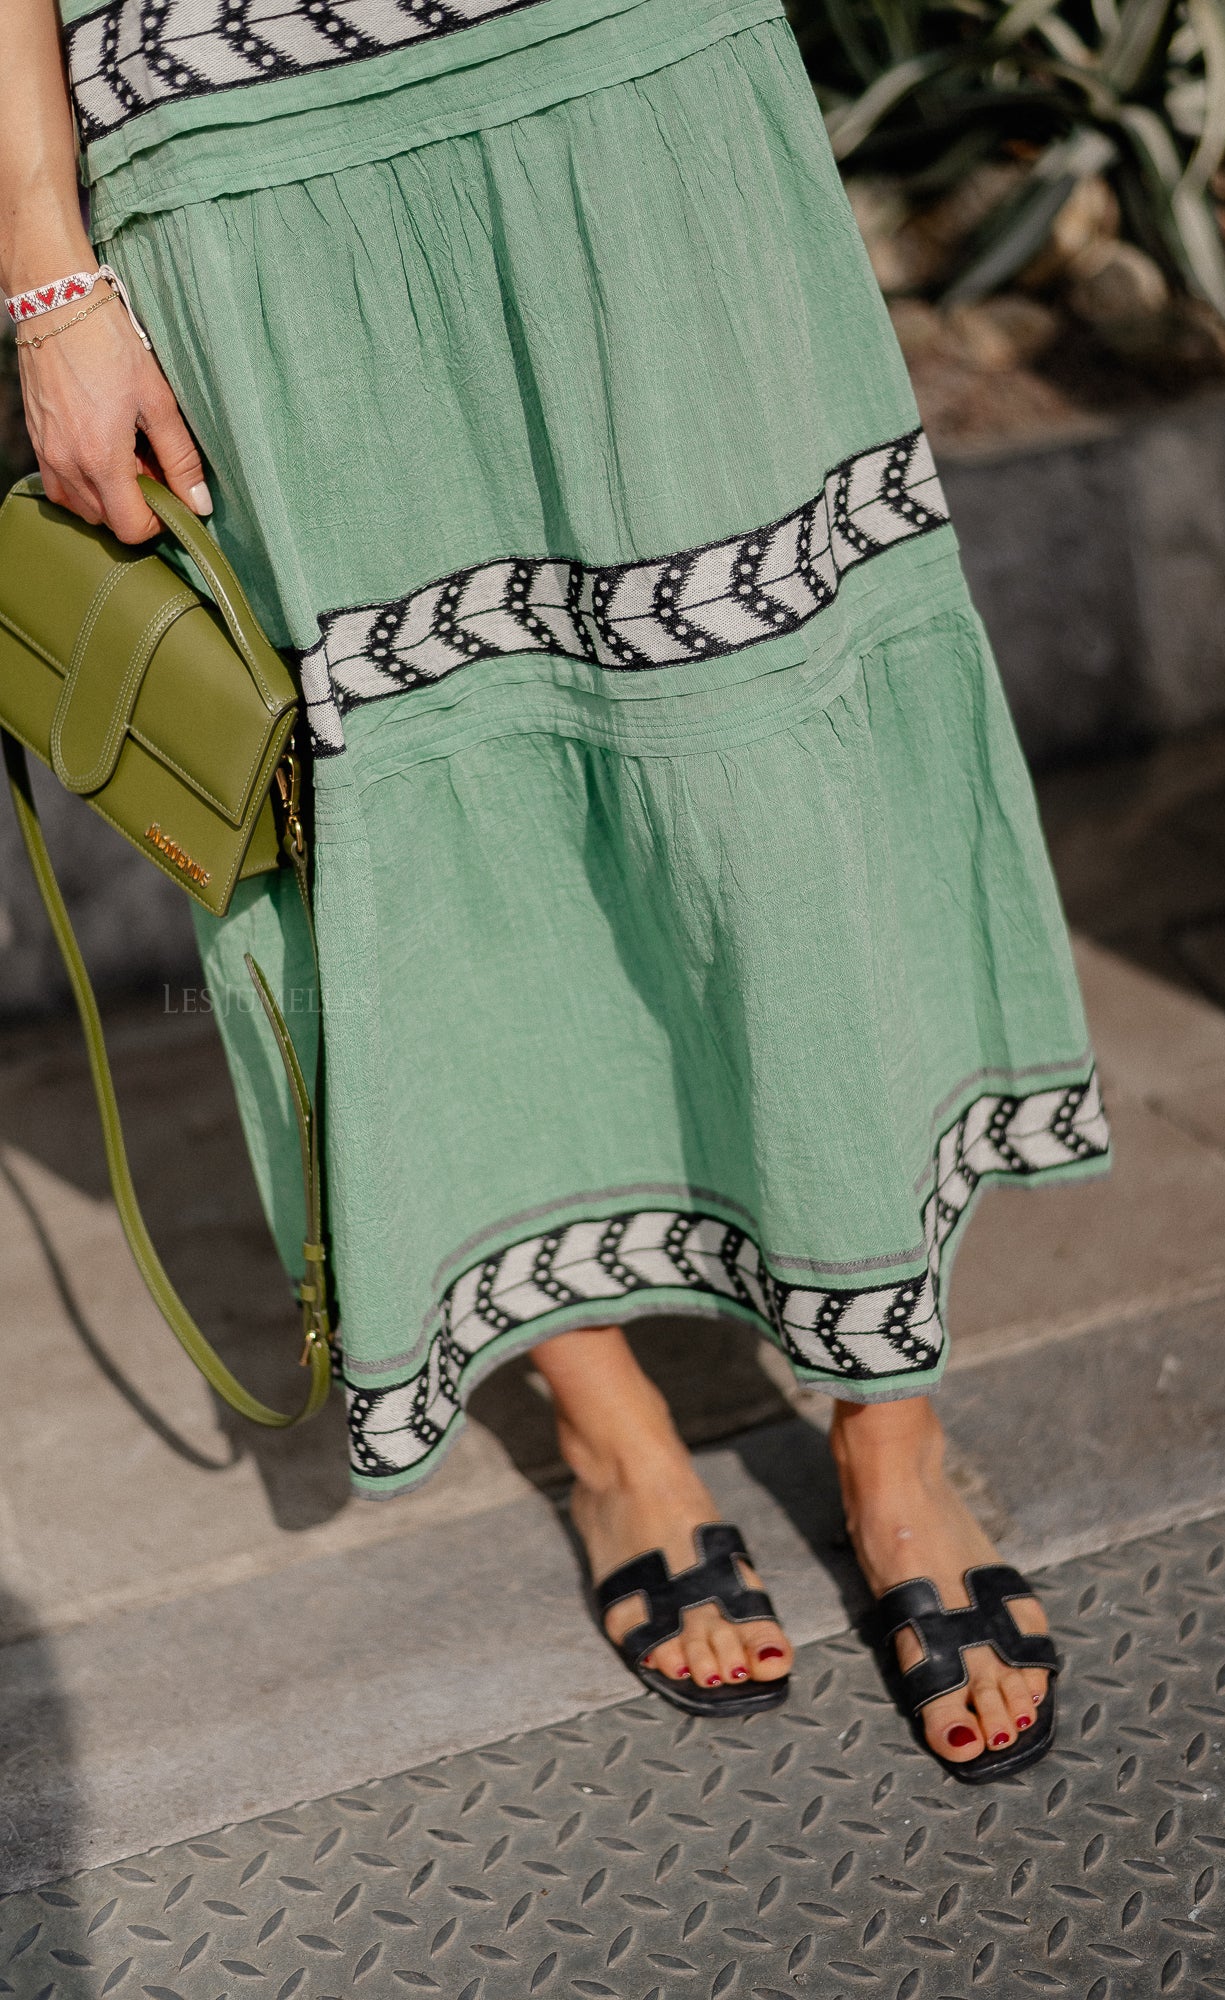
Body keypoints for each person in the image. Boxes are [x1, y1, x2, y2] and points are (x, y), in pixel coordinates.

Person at [3, 0, 1109, 1777]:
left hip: (631, 69)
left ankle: (889, 1436)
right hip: (242, 150)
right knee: (401, 793)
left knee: (776, 726)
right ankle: (612, 1433)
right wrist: (45, 267)